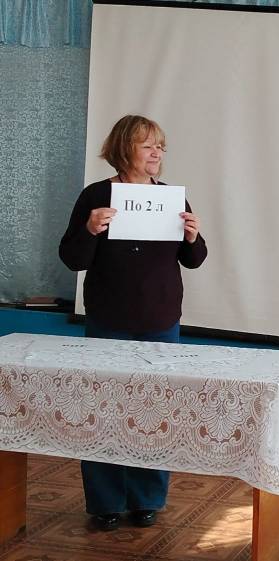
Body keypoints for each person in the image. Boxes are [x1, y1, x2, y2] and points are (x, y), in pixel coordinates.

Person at [58, 115, 207, 531]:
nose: (157, 153)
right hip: (109, 319)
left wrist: (193, 236)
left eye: (160, 146)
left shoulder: (172, 197)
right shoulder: (96, 195)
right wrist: (90, 229)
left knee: (153, 411)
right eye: (148, 145)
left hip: (160, 319)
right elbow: (72, 258)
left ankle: (146, 500)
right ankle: (105, 502)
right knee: (102, 411)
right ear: (125, 148)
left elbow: (194, 259)